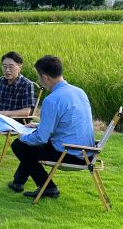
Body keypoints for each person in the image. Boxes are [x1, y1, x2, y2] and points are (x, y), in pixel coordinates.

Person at [9, 55, 94, 199]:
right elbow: (67, 122)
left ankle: (48, 187)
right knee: (28, 143)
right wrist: (39, 125)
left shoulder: (52, 100)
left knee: (20, 144)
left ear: (45, 77)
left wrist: (22, 135)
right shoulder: (79, 91)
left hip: (70, 154)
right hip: (87, 152)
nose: (38, 80)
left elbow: (41, 138)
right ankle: (18, 182)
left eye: (38, 76)